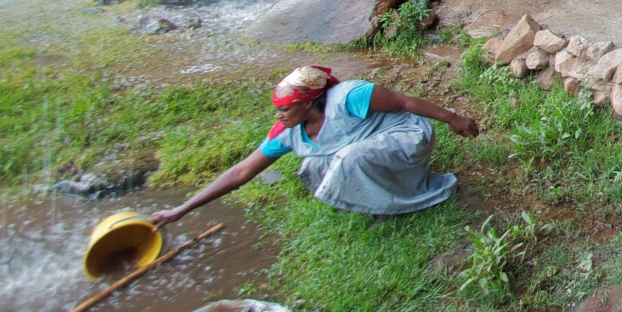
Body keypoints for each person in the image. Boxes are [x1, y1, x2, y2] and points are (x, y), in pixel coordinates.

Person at [151, 65, 480, 224]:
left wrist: (452, 118)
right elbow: (241, 173)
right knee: (312, 166)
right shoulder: (288, 132)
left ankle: (423, 194)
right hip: (369, 150)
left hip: (406, 137)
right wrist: (180, 210)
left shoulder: (349, 96)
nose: (279, 116)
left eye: (284, 109)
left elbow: (404, 103)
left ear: (308, 103)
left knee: (349, 159)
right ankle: (384, 202)